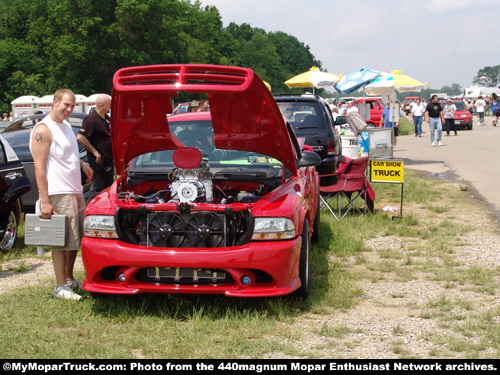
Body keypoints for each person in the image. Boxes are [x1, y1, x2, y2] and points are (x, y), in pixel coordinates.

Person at [29, 89, 93, 301]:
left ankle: (68, 279)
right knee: (61, 240)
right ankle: (59, 287)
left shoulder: (65, 126)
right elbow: (39, 168)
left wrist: (83, 164)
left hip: (74, 189)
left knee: (75, 239)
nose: (69, 109)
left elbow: (68, 155)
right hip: (58, 191)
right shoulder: (43, 130)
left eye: (73, 106)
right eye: (66, 104)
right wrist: (45, 200)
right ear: (55, 102)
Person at [77, 94, 113, 200]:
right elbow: (80, 137)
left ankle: (106, 209)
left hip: (108, 160)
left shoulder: (106, 118)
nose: (110, 107)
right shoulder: (91, 119)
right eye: (109, 104)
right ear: (102, 104)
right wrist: (95, 152)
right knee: (98, 186)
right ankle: (93, 210)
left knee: (108, 187)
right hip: (97, 161)